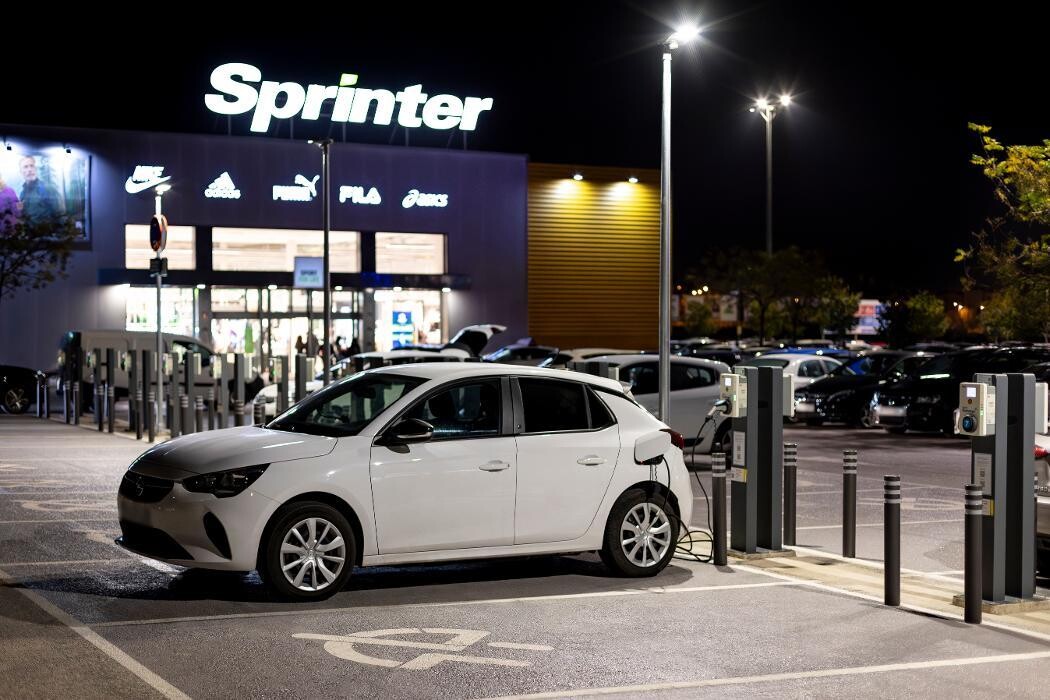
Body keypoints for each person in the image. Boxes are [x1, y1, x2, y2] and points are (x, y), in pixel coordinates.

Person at [18, 156, 63, 222]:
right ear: (21, 172)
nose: (29, 169)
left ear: (35, 169)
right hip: (30, 231)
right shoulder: (22, 194)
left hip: (47, 231)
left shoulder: (47, 188)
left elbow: (60, 214)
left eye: (32, 166)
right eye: (26, 167)